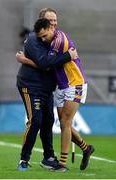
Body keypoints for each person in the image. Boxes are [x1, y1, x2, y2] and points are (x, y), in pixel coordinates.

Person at [17, 17, 95, 172]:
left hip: (74, 83)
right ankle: (86, 148)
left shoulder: (58, 41)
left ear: (51, 28)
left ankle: (62, 163)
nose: (44, 39)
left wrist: (24, 60)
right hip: (61, 85)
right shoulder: (47, 41)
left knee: (65, 122)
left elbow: (46, 64)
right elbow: (48, 63)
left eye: (45, 35)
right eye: (41, 37)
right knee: (63, 122)